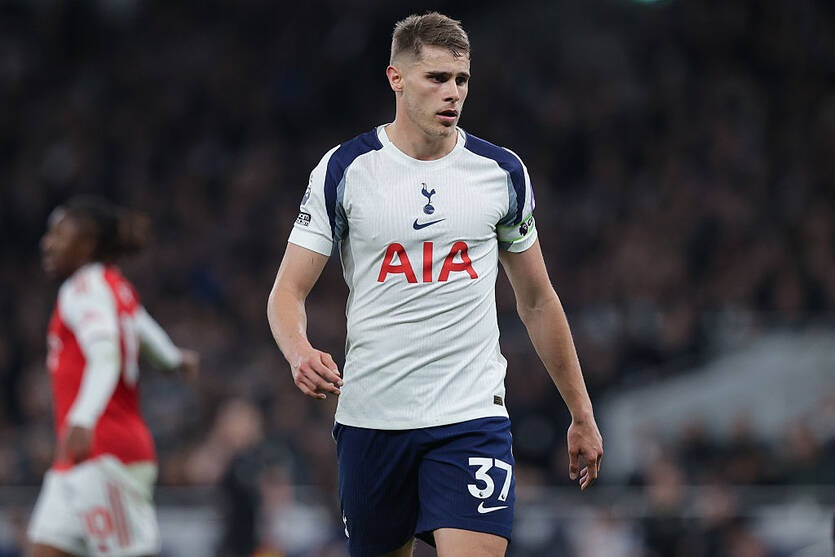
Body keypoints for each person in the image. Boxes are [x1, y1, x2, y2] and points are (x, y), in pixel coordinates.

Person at [267, 12, 603, 557]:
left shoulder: (500, 172)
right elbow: (287, 292)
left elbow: (538, 301)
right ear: (396, 78)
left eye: (462, 79)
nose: (453, 93)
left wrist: (581, 412)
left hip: (470, 418)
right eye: (438, 78)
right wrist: (298, 351)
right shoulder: (346, 170)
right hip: (373, 420)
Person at [28, 196, 199, 557]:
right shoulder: (114, 286)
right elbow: (143, 327)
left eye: (58, 235)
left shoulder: (83, 289)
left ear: (86, 244)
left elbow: (104, 355)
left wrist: (83, 418)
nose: (48, 243)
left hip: (106, 453)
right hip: (76, 459)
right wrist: (173, 359)